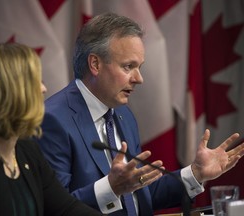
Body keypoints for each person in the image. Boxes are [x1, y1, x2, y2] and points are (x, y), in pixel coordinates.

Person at [36, 13, 244, 216]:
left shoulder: (122, 114)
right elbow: (54, 209)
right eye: (128, 67)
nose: (139, 78)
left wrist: (196, 173)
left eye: (139, 67)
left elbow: (139, 196)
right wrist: (111, 188)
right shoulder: (54, 119)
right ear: (95, 64)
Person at [0, 43, 104, 216]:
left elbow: (66, 209)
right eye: (36, 81)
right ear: (9, 92)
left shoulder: (26, 148)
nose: (43, 89)